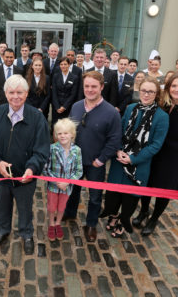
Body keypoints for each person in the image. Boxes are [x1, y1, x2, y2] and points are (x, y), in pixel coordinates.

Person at [133, 72, 178, 236]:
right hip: (154, 153)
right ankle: (144, 211)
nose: (177, 89)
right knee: (147, 184)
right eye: (174, 85)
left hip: (174, 158)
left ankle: (154, 218)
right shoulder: (161, 105)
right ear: (168, 87)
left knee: (164, 190)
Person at [0, 75, 49, 254]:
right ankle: (3, 230)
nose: (15, 96)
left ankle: (26, 234)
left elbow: (42, 150)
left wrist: (32, 168)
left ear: (26, 94)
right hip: (1, 177)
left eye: (20, 92)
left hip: (25, 179)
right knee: (3, 206)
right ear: (5, 93)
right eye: (11, 92)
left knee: (25, 208)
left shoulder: (37, 118)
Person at [100, 77, 169, 237]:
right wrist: (117, 150)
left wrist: (133, 159)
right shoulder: (130, 108)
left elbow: (156, 145)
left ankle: (123, 220)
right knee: (114, 194)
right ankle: (114, 216)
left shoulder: (162, 117)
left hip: (139, 164)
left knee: (129, 198)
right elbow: (118, 131)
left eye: (151, 91)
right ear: (139, 90)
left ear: (156, 94)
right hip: (119, 160)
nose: (146, 94)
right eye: (144, 90)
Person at [62, 71, 121, 242]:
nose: (90, 89)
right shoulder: (76, 106)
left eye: (94, 86)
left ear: (102, 87)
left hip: (96, 163)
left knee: (95, 197)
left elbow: (114, 140)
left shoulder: (111, 113)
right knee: (72, 191)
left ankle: (91, 224)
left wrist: (101, 159)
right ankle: (70, 213)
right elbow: (70, 131)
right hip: (76, 161)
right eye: (87, 86)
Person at [42, 118, 82, 241]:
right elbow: (45, 169)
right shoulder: (52, 149)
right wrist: (56, 181)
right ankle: (51, 224)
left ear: (72, 135)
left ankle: (58, 222)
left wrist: (67, 182)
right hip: (53, 187)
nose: (62, 136)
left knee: (61, 207)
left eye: (65, 133)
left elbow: (79, 171)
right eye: (59, 133)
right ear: (56, 135)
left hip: (67, 187)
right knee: (52, 207)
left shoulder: (77, 151)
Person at [51, 57, 79, 125]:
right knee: (55, 126)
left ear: (69, 65)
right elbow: (54, 92)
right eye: (61, 64)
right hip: (56, 107)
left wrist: (64, 106)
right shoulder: (56, 76)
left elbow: (73, 94)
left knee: (67, 127)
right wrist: (57, 107)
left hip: (68, 107)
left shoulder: (74, 77)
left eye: (65, 64)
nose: (63, 66)